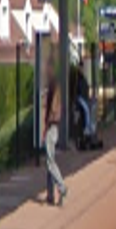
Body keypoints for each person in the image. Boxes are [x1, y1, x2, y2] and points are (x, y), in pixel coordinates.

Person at [44, 49, 68, 205]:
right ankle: (50, 195)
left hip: (51, 127)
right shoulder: (56, 85)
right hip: (54, 127)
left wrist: (45, 125)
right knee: (48, 159)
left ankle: (62, 187)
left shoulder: (54, 86)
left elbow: (52, 108)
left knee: (50, 161)